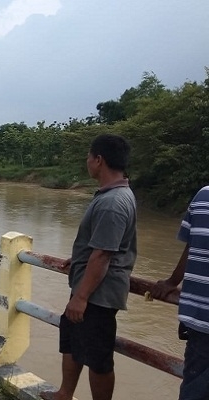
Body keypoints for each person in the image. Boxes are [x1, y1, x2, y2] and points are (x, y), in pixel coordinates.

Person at [40, 134, 137, 400]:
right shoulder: (110, 196)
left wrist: (81, 297)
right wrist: (80, 259)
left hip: (98, 293)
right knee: (72, 341)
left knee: (97, 357)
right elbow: (99, 246)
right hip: (88, 283)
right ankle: (65, 393)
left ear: (99, 160)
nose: (87, 162)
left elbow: (103, 255)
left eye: (88, 156)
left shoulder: (113, 203)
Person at [150, 187, 209, 400]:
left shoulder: (203, 196)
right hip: (200, 322)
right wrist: (173, 281)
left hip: (199, 320)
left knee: (193, 389)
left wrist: (172, 282)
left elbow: (191, 245)